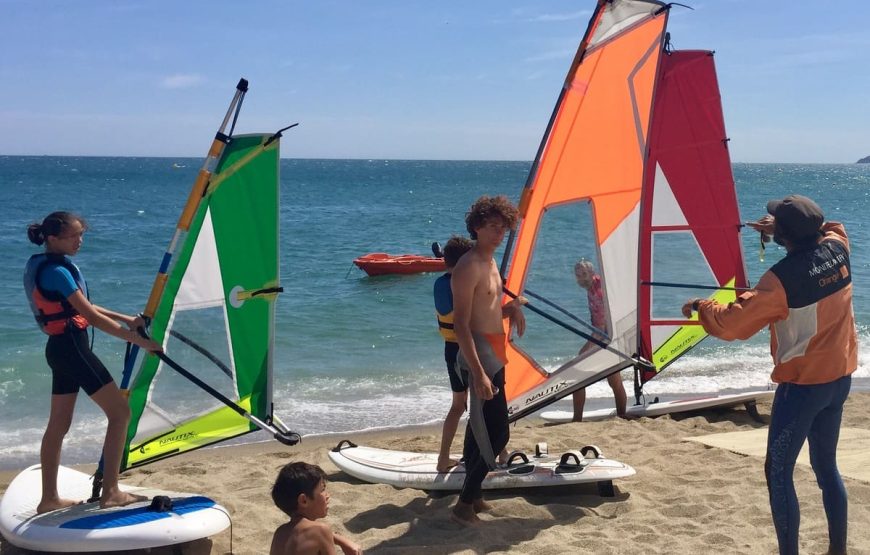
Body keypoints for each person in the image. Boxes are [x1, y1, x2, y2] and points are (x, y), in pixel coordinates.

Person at [681, 195, 856, 555]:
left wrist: (701, 306)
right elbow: (830, 226)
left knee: (778, 472)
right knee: (827, 469)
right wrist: (783, 229)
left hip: (803, 388)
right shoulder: (839, 246)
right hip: (840, 378)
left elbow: (731, 325)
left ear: (786, 235)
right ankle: (838, 550)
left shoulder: (778, 282)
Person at [24, 211, 162, 513]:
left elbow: (83, 305)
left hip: (59, 349)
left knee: (59, 424)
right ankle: (111, 491)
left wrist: (127, 319)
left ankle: (49, 499)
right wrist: (139, 341)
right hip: (72, 350)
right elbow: (91, 317)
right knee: (120, 413)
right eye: (73, 236)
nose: (80, 241)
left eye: (81, 235)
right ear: (52, 238)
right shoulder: (56, 271)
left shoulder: (52, 268)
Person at [450, 195, 525, 526]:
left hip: (496, 351)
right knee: (498, 435)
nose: (499, 233)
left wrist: (511, 311)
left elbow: (489, 310)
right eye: (493, 227)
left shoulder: (492, 263)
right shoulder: (468, 267)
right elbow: (461, 326)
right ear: (477, 227)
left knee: (477, 428)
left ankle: (475, 495)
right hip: (479, 355)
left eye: (503, 227)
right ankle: (464, 503)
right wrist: (478, 374)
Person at [433, 235, 474, 472]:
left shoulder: (439, 283)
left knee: (458, 405)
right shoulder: (459, 283)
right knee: (483, 403)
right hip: (466, 348)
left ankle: (443, 458)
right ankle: (501, 453)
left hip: (450, 349)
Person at [571, 259, 627, 421]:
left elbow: (601, 325)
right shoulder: (592, 287)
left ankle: (577, 419)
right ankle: (622, 415)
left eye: (584, 274)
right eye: (578, 275)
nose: (581, 278)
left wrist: (589, 346)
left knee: (577, 373)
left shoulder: (597, 290)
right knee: (614, 379)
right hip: (610, 337)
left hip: (606, 338)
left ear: (592, 273)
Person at [270, 462, 362, 555]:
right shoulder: (320, 530)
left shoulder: (280, 533)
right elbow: (317, 533)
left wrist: (338, 539)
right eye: (322, 490)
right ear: (304, 501)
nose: (327, 495)